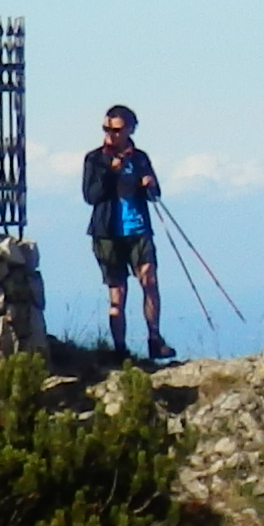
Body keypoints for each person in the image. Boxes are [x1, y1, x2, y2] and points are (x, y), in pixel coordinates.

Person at [80, 104, 172, 364]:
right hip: (108, 234)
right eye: (106, 129)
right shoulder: (95, 159)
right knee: (117, 293)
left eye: (116, 130)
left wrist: (150, 186)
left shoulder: (140, 158)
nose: (111, 134)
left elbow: (155, 195)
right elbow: (91, 196)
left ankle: (155, 338)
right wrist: (112, 172)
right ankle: (120, 351)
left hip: (139, 229)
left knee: (150, 282)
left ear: (130, 129)